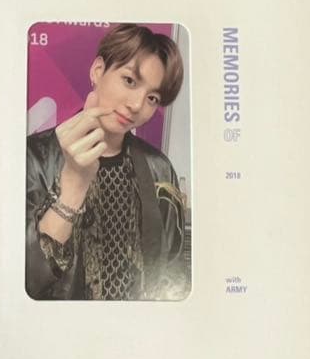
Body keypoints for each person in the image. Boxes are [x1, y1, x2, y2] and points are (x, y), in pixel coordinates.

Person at [26, 23, 189, 301]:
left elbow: (172, 273)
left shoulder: (159, 168)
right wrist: (74, 184)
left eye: (152, 98)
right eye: (130, 81)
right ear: (98, 71)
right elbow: (29, 282)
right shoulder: (34, 156)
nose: (137, 105)